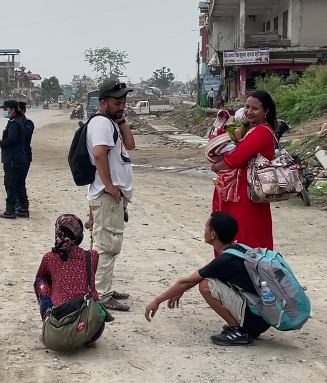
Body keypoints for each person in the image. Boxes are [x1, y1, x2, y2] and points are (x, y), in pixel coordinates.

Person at [143, 211, 271, 346]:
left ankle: (238, 331)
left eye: (206, 227)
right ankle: (243, 326)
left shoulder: (226, 259)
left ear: (213, 234)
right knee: (207, 279)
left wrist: (157, 300)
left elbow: (187, 282)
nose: (204, 230)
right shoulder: (236, 250)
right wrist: (182, 288)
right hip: (262, 316)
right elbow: (201, 274)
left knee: (206, 285)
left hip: (256, 319)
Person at [85, 79, 136, 311]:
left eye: (124, 101)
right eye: (117, 102)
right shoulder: (102, 125)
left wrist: (121, 118)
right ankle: (101, 294)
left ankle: (102, 287)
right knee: (106, 245)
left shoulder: (111, 123)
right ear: (103, 102)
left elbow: (131, 144)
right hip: (108, 196)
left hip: (112, 196)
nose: (122, 105)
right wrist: (109, 186)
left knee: (110, 243)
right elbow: (99, 155)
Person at [209, 90, 277, 251]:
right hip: (239, 190)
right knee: (235, 232)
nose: (249, 112)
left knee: (242, 234)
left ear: (266, 111)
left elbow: (235, 158)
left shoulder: (261, 132)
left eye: (255, 109)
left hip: (244, 193)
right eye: (246, 107)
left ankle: (239, 269)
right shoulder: (249, 129)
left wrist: (215, 167)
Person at [34, 214, 107, 348]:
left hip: (60, 326)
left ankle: (49, 326)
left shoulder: (49, 258)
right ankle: (89, 339)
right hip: (92, 327)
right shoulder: (92, 256)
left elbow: (42, 277)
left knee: (41, 282)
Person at [0, 99, 27, 219]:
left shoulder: (14, 123)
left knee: (11, 184)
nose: (4, 111)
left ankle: (10, 210)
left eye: (5, 109)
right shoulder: (16, 122)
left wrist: (0, 142)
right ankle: (23, 209)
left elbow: (12, 140)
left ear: (12, 110)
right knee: (18, 184)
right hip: (18, 158)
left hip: (13, 158)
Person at [15, 100, 35, 218]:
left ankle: (23, 205)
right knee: (15, 181)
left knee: (20, 180)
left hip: (25, 156)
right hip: (15, 156)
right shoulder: (13, 122)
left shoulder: (28, 123)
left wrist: (17, 124)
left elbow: (25, 136)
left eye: (17, 109)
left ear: (23, 110)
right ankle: (18, 202)